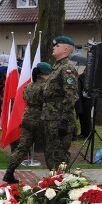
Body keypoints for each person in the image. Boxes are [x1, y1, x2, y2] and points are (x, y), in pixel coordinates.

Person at [3, 62, 51, 184]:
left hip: (27, 118)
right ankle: (55, 176)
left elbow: (25, 99)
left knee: (22, 147)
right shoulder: (46, 86)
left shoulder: (29, 86)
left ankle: (9, 172)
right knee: (50, 147)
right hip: (41, 119)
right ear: (46, 73)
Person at [42, 36, 79, 170]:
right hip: (50, 117)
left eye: (57, 46)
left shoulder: (67, 68)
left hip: (59, 118)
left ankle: (61, 184)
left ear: (66, 50)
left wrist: (63, 119)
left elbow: (71, 95)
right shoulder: (56, 67)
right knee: (50, 152)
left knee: (59, 154)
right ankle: (52, 182)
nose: (54, 47)